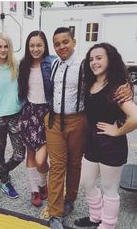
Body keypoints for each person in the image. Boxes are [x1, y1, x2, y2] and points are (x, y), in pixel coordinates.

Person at [45, 27, 133, 229]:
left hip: (78, 120)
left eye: (65, 42)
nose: (61, 46)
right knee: (57, 166)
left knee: (75, 164)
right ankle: (55, 214)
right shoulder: (52, 64)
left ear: (74, 42)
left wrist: (129, 85)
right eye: (57, 43)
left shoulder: (85, 66)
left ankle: (70, 200)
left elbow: (112, 78)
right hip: (55, 120)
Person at [74, 43, 137, 229]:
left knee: (110, 188)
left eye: (99, 57)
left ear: (110, 59)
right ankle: (95, 217)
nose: (94, 62)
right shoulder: (91, 84)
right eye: (91, 59)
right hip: (92, 142)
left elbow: (135, 117)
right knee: (87, 182)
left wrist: (117, 131)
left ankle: (108, 225)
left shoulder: (116, 87)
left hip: (111, 145)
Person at [0, 33, 25, 199]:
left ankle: (3, 170)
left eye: (6, 46)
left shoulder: (17, 65)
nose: (2, 50)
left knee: (20, 154)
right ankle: (5, 181)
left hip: (16, 114)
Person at [18, 30, 55, 207]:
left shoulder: (52, 63)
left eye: (39, 45)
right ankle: (35, 191)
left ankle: (43, 183)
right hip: (29, 113)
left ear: (45, 46)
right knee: (31, 154)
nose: (35, 49)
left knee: (42, 160)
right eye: (32, 45)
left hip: (47, 114)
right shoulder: (23, 64)